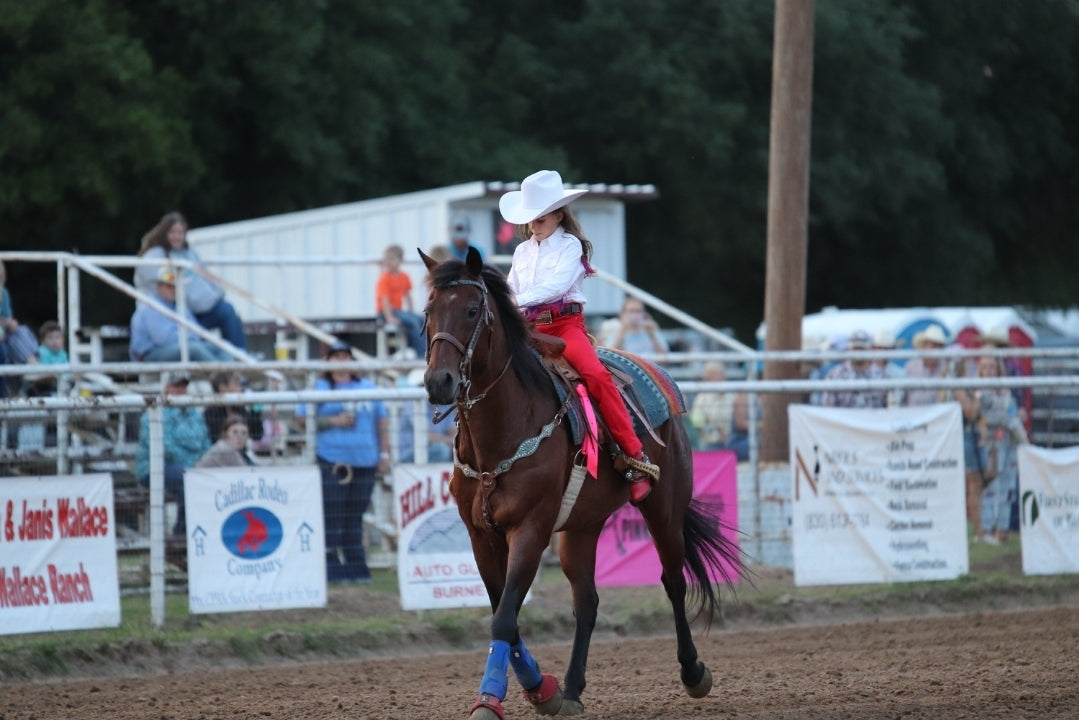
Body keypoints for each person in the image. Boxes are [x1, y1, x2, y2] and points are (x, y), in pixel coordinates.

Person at [500, 169, 659, 503]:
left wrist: (511, 302)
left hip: (565, 326)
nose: (534, 224)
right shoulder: (522, 252)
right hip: (528, 327)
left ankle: (635, 456)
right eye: (531, 219)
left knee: (596, 375)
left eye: (541, 217)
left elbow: (556, 287)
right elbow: (512, 285)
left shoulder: (571, 246)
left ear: (559, 214)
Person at [295, 340, 391, 583]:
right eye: (336, 356)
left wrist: (384, 454)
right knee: (333, 515)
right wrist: (332, 422)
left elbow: (382, 423)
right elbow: (300, 420)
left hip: (365, 461)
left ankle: (356, 566)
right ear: (327, 361)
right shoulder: (318, 388)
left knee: (355, 516)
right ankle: (331, 567)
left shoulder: (368, 387)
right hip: (331, 460)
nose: (341, 360)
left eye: (345, 356)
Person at [135, 211, 247, 350]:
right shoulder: (154, 255)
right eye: (173, 232)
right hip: (176, 316)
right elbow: (163, 283)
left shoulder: (189, 253)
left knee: (227, 311)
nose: (177, 237)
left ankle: (238, 359)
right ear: (164, 232)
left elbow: (206, 276)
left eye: (180, 233)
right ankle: (223, 362)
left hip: (202, 310)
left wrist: (217, 294)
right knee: (196, 342)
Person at [135, 372, 211, 536]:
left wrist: (202, 463)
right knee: (188, 478)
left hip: (190, 467)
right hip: (153, 469)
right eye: (176, 386)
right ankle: (181, 533)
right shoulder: (153, 413)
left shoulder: (194, 414)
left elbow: (205, 442)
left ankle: (206, 531)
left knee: (201, 477)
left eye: (183, 386)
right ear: (166, 388)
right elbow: (165, 448)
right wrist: (194, 464)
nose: (181, 390)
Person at [964, 356, 1027, 544]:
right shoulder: (977, 390)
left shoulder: (1006, 390)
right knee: (990, 484)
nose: (989, 371)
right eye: (985, 367)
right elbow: (976, 416)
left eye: (992, 367)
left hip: (1008, 437)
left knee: (1007, 484)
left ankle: (1003, 527)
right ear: (980, 370)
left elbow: (1013, 411)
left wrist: (1016, 417)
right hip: (988, 439)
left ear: (998, 369)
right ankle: (987, 527)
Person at [129, 268, 234, 362]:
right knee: (194, 349)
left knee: (222, 349)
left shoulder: (179, 305)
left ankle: (232, 379)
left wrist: (191, 339)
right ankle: (223, 380)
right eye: (170, 286)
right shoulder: (150, 307)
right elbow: (165, 339)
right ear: (159, 286)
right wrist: (190, 339)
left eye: (176, 286)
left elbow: (195, 331)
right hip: (150, 354)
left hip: (175, 348)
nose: (174, 290)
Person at [375, 244, 426, 358]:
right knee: (412, 322)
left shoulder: (404, 276)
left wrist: (411, 312)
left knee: (422, 319)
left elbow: (408, 295)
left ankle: (427, 349)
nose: (388, 262)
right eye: (386, 259)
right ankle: (421, 354)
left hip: (397, 311)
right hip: (385, 312)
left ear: (400, 260)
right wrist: (389, 318)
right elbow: (384, 300)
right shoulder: (385, 278)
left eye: (392, 259)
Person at [397, 368, 454, 464]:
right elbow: (426, 436)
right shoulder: (412, 404)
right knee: (442, 450)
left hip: (436, 449)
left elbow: (454, 431)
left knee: (453, 451)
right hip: (410, 453)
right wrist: (451, 441)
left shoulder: (444, 403)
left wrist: (452, 441)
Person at [820, 330, 887, 408]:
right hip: (843, 419)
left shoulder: (882, 376)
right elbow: (828, 407)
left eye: (861, 349)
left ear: (869, 349)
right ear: (849, 349)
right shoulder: (835, 375)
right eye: (855, 348)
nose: (858, 352)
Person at [203, 371, 264, 447]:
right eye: (236, 385)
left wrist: (255, 411)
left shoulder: (240, 409)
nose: (240, 389)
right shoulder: (211, 413)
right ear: (222, 387)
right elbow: (215, 441)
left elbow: (257, 435)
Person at [690, 361, 736, 451]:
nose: (721, 376)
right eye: (715, 374)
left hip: (733, 440)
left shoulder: (733, 393)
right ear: (708, 377)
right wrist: (717, 432)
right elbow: (697, 422)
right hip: (710, 442)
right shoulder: (702, 397)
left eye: (721, 373)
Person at [904, 325, 952, 406]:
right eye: (934, 345)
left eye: (940, 346)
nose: (937, 350)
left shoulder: (946, 368)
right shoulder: (911, 367)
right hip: (914, 414)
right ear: (924, 346)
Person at [604, 297, 669, 355]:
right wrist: (622, 332)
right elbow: (611, 358)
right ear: (622, 314)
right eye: (631, 311)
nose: (635, 315)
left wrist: (652, 336)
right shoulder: (615, 334)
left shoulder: (652, 331)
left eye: (638, 311)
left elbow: (665, 358)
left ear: (644, 313)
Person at [23, 320, 71, 397]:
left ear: (63, 339)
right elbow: (45, 372)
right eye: (50, 338)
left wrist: (69, 377)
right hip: (41, 385)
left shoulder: (63, 354)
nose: (55, 341)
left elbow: (67, 371)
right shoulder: (41, 352)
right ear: (42, 341)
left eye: (58, 337)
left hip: (58, 384)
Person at [871, 329, 905, 408]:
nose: (883, 351)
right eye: (880, 348)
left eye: (886, 348)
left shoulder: (900, 373)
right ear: (873, 348)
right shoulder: (866, 371)